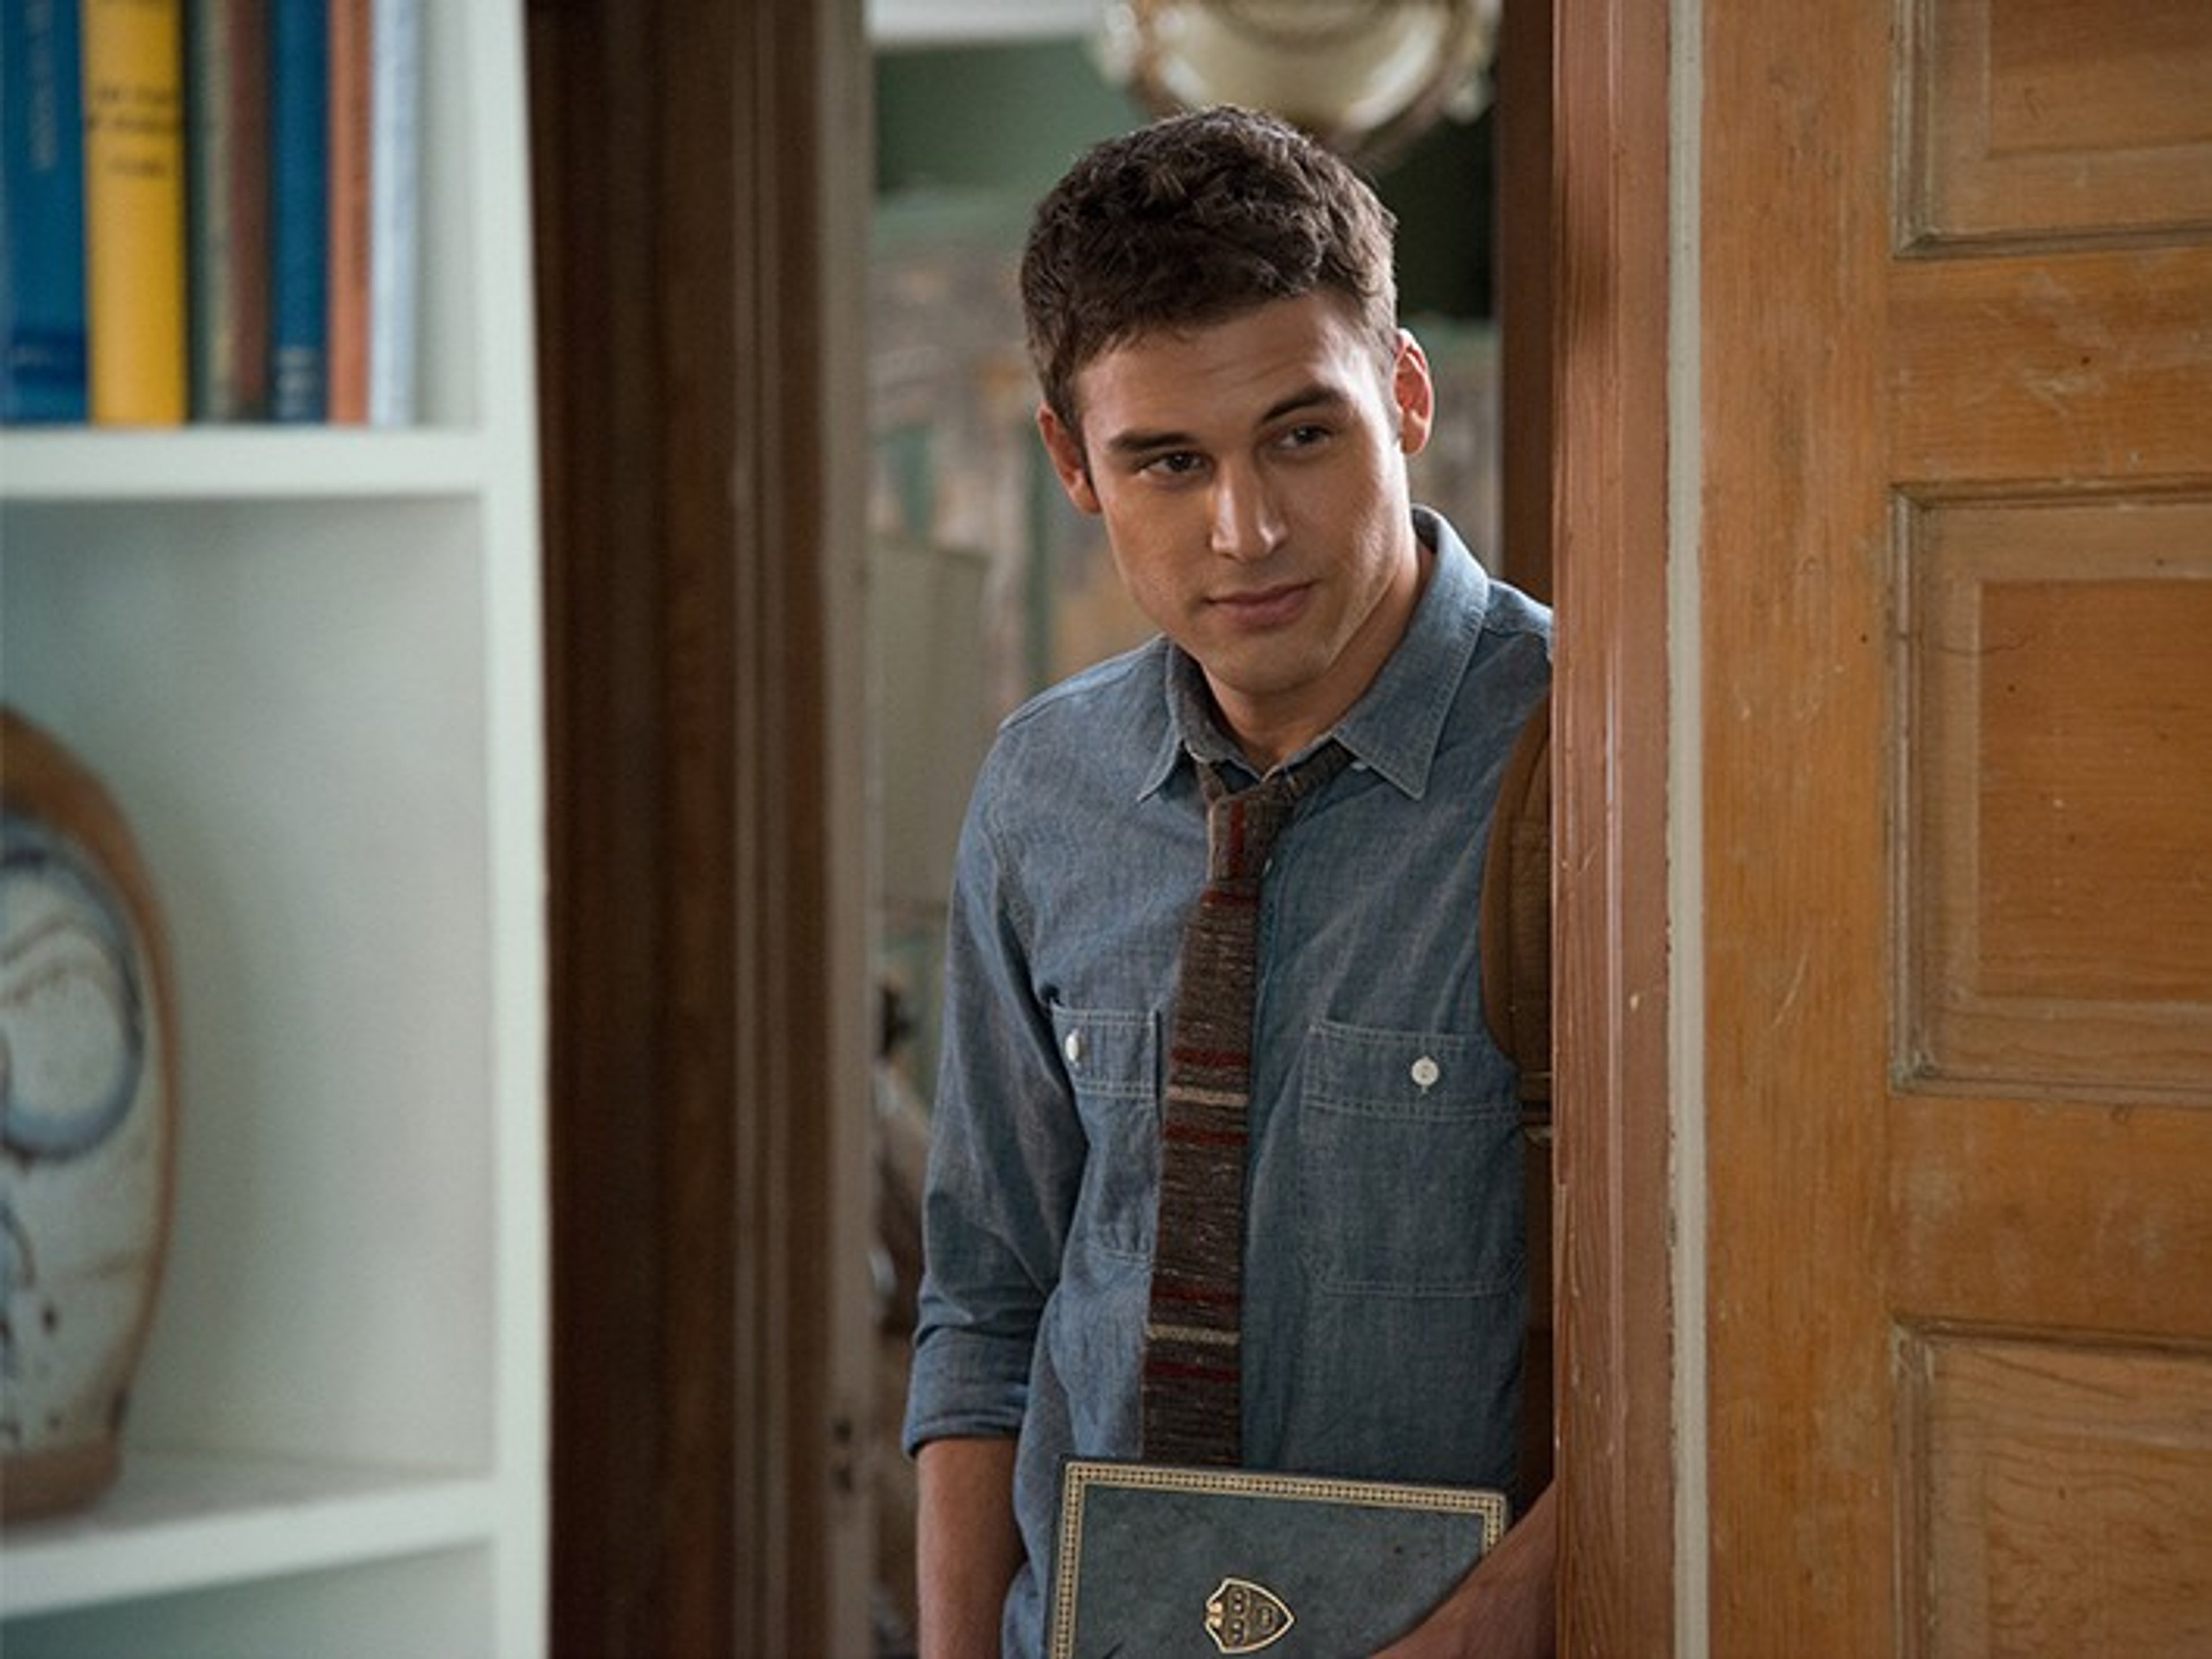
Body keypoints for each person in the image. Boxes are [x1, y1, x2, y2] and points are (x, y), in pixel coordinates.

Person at [902, 105, 1556, 1658]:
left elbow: (1708, 1359)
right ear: (1073, 464)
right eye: (1169, 463)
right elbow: (985, 1303)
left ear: (1404, 397)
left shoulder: (1599, 761)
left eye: (1301, 434)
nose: (1245, 529)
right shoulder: (1042, 790)